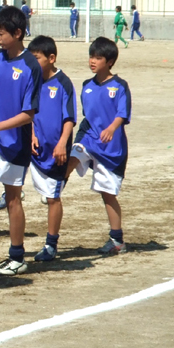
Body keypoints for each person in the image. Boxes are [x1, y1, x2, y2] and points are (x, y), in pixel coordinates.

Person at [0, 5, 42, 276]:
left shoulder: (30, 66)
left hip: (14, 139)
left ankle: (17, 256)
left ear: (18, 33)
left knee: (13, 198)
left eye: (1, 33)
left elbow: (27, 115)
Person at [65, 37, 131, 256]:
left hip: (111, 149)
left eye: (98, 57)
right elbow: (87, 116)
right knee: (71, 157)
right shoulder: (86, 85)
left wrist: (112, 127)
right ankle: (54, 190)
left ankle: (117, 240)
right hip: (89, 138)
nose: (92, 61)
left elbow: (123, 113)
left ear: (110, 61)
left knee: (107, 194)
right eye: (91, 56)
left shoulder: (119, 86)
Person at [26, 36, 76, 262]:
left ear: (51, 58)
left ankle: (51, 244)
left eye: (36, 58)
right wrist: (32, 135)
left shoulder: (63, 83)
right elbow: (28, 113)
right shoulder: (32, 81)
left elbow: (69, 118)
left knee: (53, 198)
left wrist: (62, 143)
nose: (32, 62)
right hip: (36, 150)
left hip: (56, 151)